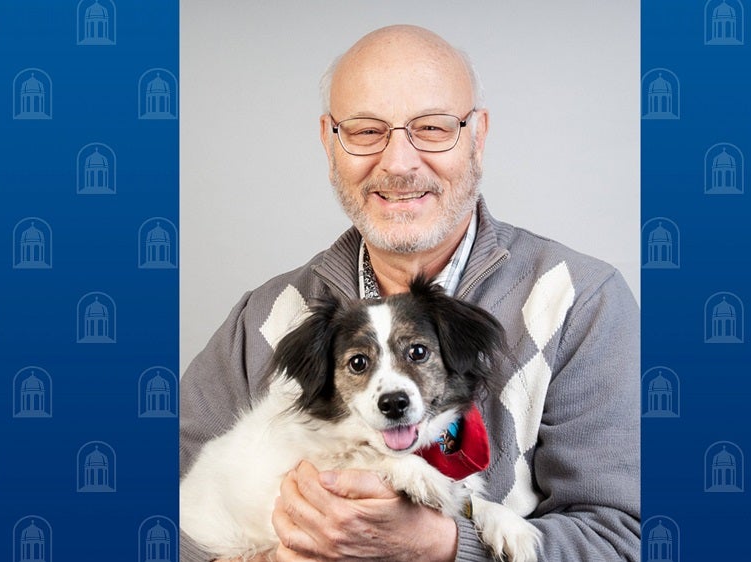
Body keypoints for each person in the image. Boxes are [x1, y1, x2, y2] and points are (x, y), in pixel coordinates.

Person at [180, 24, 640, 562]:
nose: (398, 163)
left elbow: (627, 539)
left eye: (432, 127)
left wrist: (441, 546)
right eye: (367, 131)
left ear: (478, 135)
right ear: (330, 141)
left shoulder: (581, 302)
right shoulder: (264, 317)